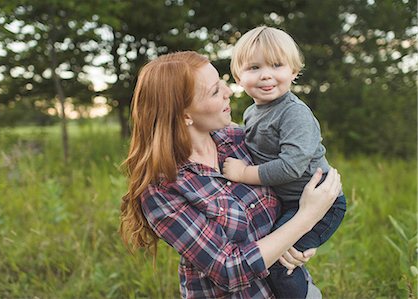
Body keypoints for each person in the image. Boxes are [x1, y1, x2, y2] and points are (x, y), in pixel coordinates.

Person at [120, 51, 342, 298]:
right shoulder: (163, 189)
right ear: (185, 115)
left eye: (222, 83)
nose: (229, 92)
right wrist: (306, 218)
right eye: (215, 91)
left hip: (297, 289)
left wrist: (300, 241)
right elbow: (228, 269)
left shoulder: (239, 140)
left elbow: (292, 179)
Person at [222, 26, 347, 298]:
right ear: (238, 77)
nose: (266, 74)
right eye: (254, 67)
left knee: (281, 262)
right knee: (274, 252)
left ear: (293, 71)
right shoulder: (253, 112)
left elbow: (292, 166)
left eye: (277, 65)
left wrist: (244, 173)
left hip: (323, 203)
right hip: (290, 202)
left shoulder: (294, 114)